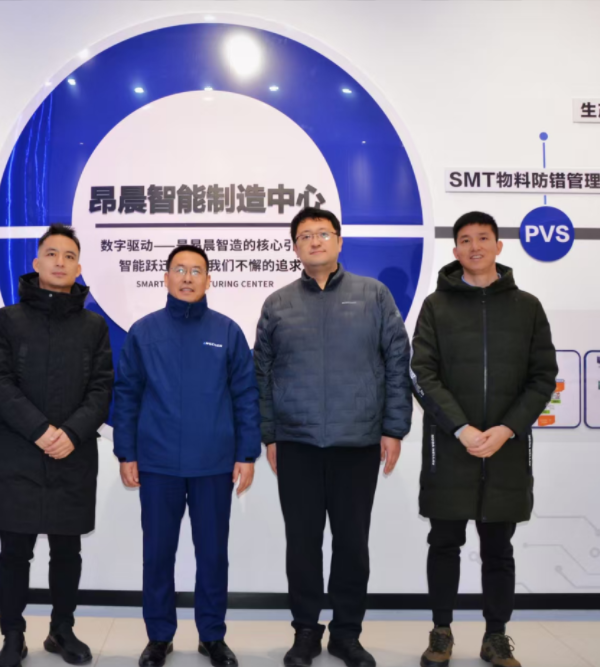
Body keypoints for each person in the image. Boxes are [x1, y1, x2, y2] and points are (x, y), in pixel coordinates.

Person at [254, 207, 412, 667]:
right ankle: (306, 631)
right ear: (295, 247)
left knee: (351, 544)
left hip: (357, 442)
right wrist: (270, 435)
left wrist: (393, 428)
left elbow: (397, 362)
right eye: (305, 235)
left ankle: (346, 633)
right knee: (302, 544)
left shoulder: (373, 295)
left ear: (339, 242)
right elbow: (261, 373)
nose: (315, 241)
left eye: (323, 233)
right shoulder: (278, 303)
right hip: (297, 443)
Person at [411, 211, 556, 667]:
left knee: (498, 549)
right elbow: (422, 372)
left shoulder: (527, 306)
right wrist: (463, 428)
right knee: (444, 543)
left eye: (483, 238)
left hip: (506, 448)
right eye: (466, 240)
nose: (475, 247)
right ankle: (441, 632)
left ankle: (496, 637)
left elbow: (543, 377)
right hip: (450, 445)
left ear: (498, 245)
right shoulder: (436, 306)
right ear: (455, 250)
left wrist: (507, 428)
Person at [113, 245, 261, 667]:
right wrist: (126, 452)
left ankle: (212, 636)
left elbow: (245, 395)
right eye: (179, 269)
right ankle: (159, 636)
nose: (188, 277)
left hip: (213, 463)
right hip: (157, 463)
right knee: (157, 554)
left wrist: (246, 453)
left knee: (212, 555)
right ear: (165, 277)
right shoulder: (144, 331)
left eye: (197, 271)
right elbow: (127, 394)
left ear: (209, 280)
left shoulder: (227, 331)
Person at [0, 224, 113, 667]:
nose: (60, 262)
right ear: (37, 262)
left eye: (69, 256)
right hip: (20, 451)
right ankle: (12, 635)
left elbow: (102, 389)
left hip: (73, 454)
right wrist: (40, 430)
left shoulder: (93, 326)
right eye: (52, 254)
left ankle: (62, 630)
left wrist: (71, 434)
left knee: (67, 550)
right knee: (14, 552)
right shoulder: (8, 319)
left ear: (79, 267)